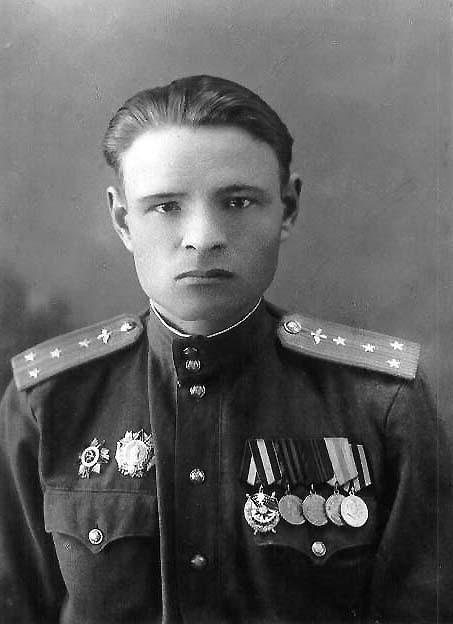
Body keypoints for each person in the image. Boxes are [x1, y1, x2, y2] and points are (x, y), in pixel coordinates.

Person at [0, 75, 450, 624]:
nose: (203, 236)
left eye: (238, 201)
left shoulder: (381, 403)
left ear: (287, 209)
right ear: (123, 220)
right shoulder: (48, 403)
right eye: (166, 206)